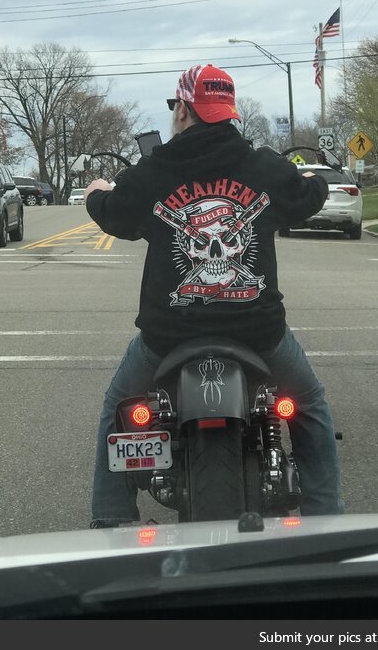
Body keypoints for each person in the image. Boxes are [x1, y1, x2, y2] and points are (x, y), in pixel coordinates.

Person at [85, 63, 344, 527]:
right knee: (311, 407)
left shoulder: (154, 170)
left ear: (183, 109)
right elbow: (306, 199)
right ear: (227, 112)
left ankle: (110, 519)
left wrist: (96, 193)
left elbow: (115, 217)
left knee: (117, 410)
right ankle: (327, 519)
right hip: (257, 331)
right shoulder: (262, 166)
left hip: (168, 335)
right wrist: (317, 181)